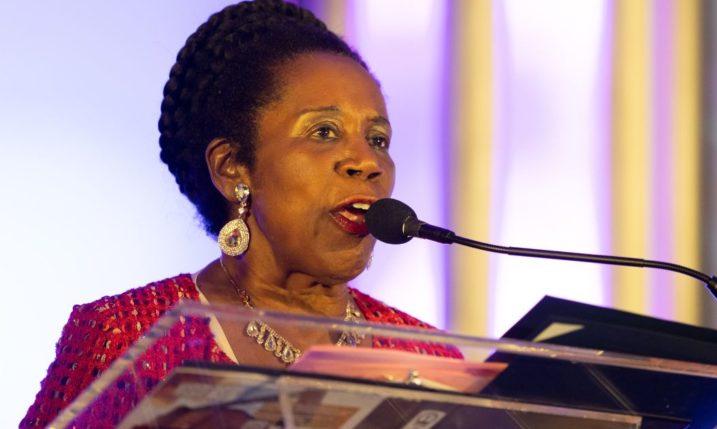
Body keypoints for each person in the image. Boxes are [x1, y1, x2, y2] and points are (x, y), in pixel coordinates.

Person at [21, 1, 460, 427]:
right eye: (324, 132)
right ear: (232, 168)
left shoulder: (429, 359)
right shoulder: (126, 339)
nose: (368, 162)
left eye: (379, 139)